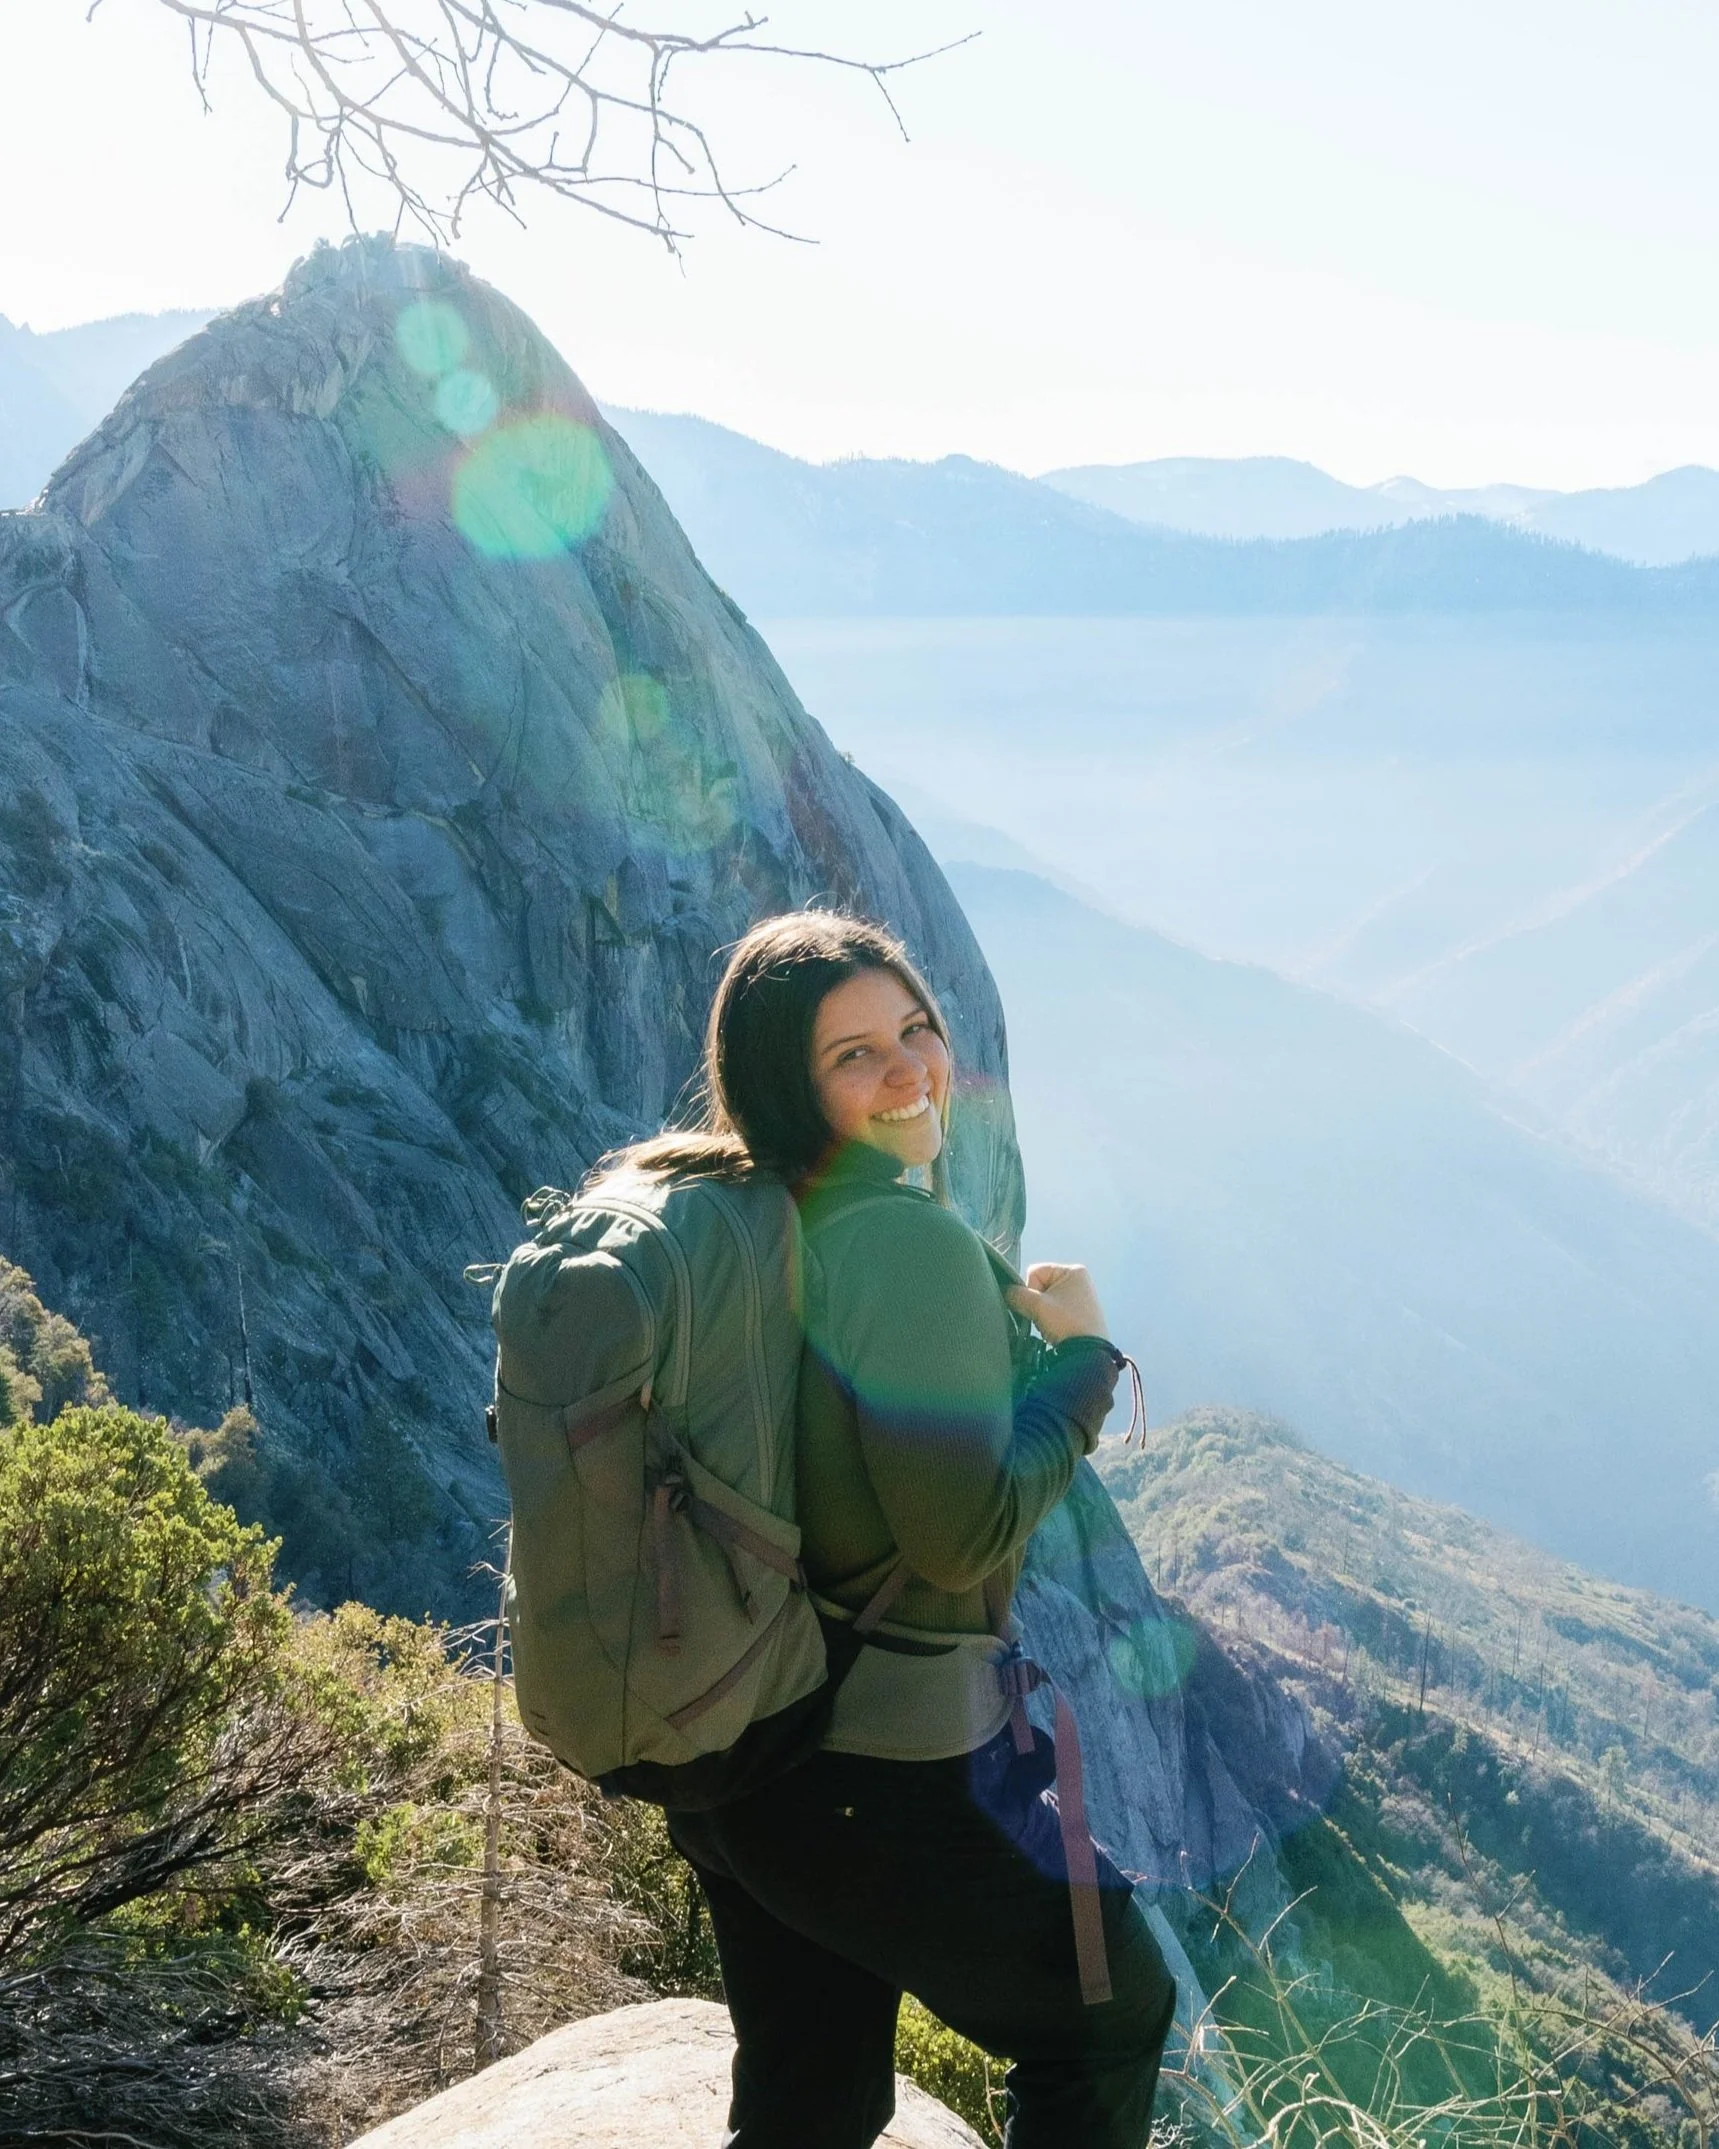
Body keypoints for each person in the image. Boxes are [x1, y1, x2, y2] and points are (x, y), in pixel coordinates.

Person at [610, 910, 1176, 2149]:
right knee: (1112, 2019)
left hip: (741, 1744)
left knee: (812, 2102)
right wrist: (1080, 1366)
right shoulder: (903, 1244)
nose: (911, 1068)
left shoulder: (747, 1214)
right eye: (853, 1054)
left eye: (915, 1027)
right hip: (878, 1764)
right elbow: (960, 1534)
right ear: (787, 1085)